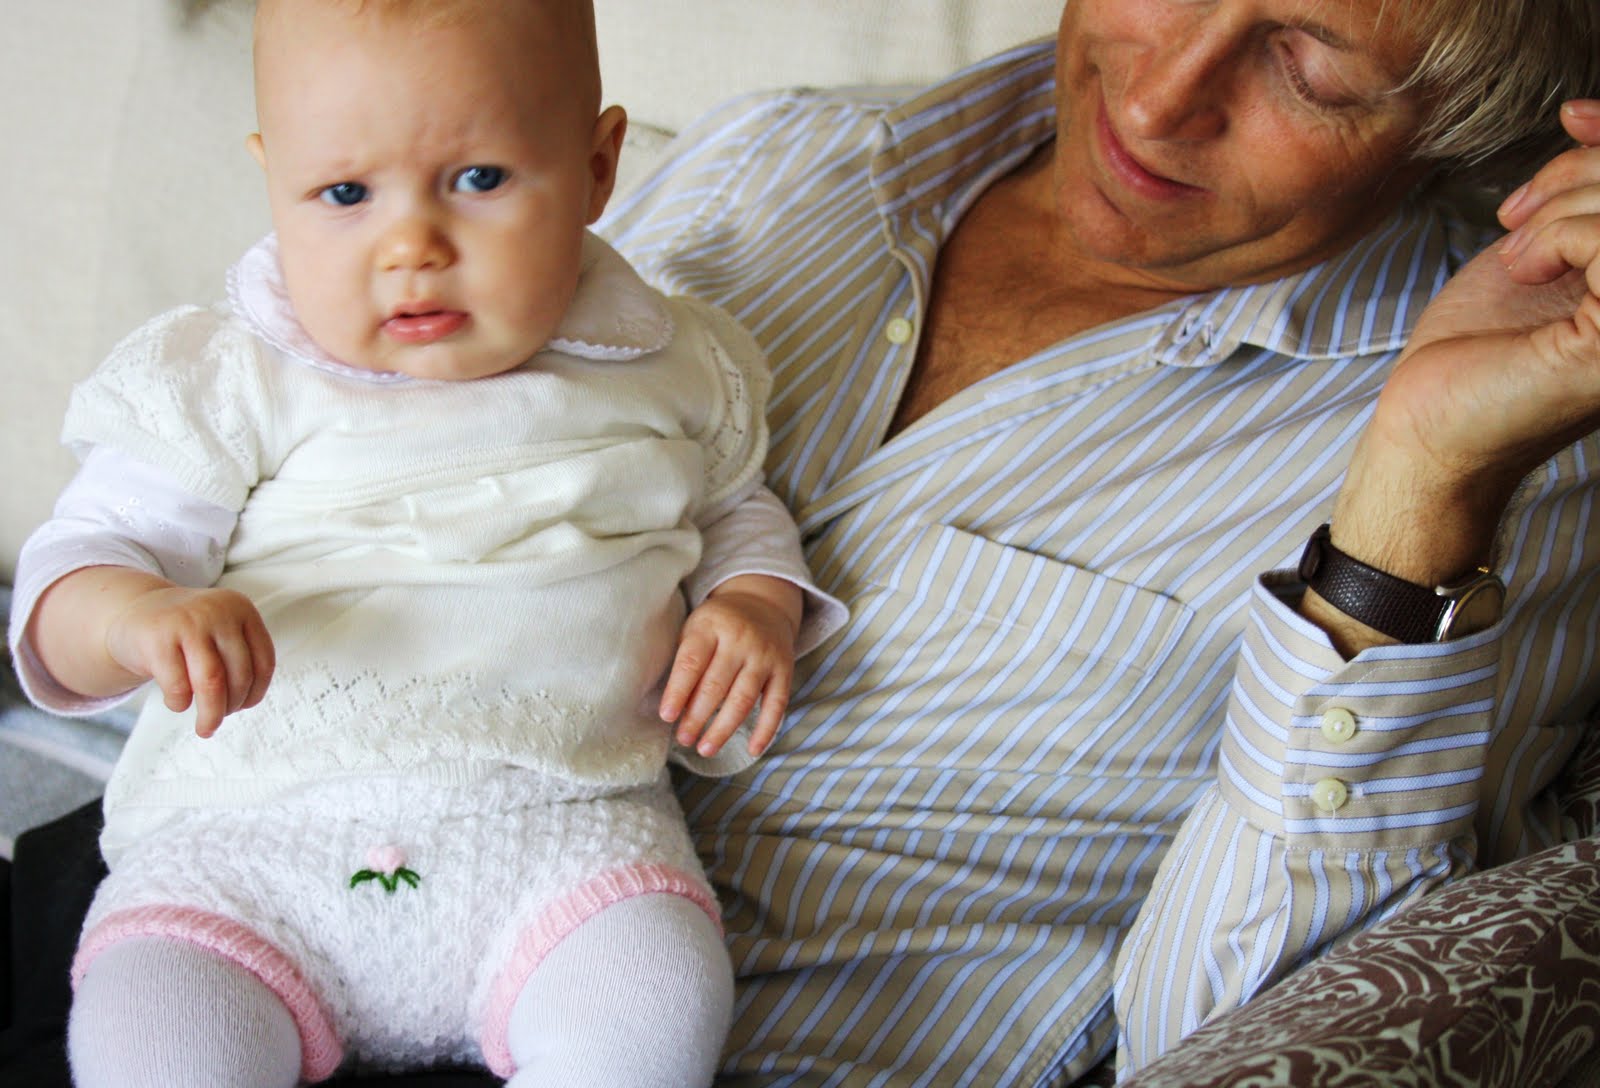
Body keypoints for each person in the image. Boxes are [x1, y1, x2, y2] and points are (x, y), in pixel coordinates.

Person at [597, 0, 1600, 1083]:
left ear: (1465, 120)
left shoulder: (1517, 457)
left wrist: (1421, 485)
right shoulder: (770, 154)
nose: (1160, 100)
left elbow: (1255, 1048)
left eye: (1309, 72)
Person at [7, 1, 844, 1086]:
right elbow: (80, 570)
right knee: (156, 1039)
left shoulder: (673, 364)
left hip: (565, 835)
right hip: (244, 849)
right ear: (274, 180)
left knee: (656, 1002)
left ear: (596, 168)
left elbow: (737, 509)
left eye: (479, 179)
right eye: (345, 194)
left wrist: (753, 601)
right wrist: (133, 616)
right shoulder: (228, 375)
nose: (412, 247)